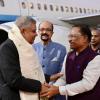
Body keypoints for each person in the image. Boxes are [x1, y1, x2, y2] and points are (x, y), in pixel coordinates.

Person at [40, 24, 100, 100]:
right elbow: (64, 78)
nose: (70, 39)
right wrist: (53, 88)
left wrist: (58, 90)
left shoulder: (95, 58)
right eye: (69, 36)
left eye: (74, 36)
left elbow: (87, 84)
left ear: (85, 38)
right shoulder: (69, 56)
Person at [0, 16, 48, 100]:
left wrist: (49, 77)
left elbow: (32, 72)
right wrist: (40, 86)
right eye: (33, 31)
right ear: (23, 31)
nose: (37, 34)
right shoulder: (7, 47)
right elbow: (14, 80)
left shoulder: (25, 46)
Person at [33, 21, 66, 100]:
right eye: (42, 29)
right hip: (36, 92)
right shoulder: (32, 48)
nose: (44, 32)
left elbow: (62, 73)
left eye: (48, 30)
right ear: (38, 31)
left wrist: (51, 88)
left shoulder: (61, 49)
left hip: (55, 92)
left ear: (52, 33)